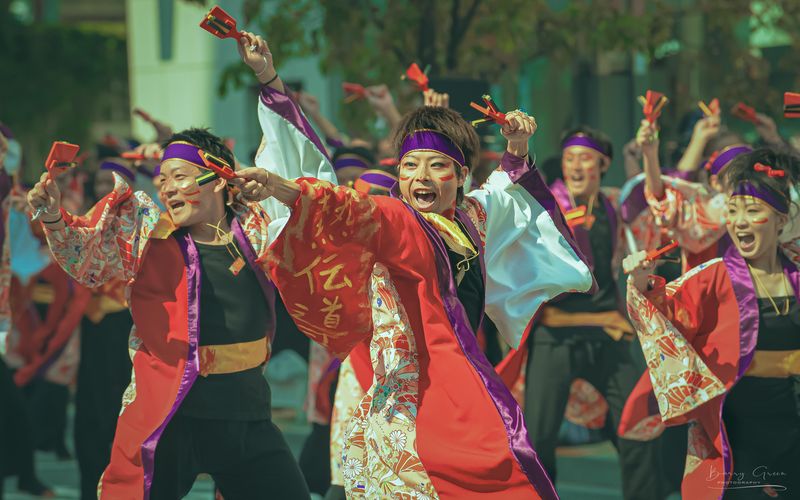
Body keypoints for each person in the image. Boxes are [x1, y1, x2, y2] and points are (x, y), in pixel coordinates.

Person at [26, 30, 329, 499]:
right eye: (163, 179)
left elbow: (296, 169)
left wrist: (265, 75)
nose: (166, 188)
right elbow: (85, 251)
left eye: (180, 178)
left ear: (219, 181)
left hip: (247, 413)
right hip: (170, 415)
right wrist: (50, 212)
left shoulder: (259, 227)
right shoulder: (148, 231)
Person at [247, 99, 593, 497]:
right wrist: (279, 188)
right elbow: (350, 206)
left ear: (461, 174)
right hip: (412, 400)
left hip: (460, 386)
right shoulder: (402, 222)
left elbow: (502, 188)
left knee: (505, 469)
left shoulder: (468, 218)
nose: (420, 176)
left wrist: (517, 146)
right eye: (410, 166)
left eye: (436, 165)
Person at [621, 148, 800, 499]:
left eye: (752, 211)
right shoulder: (714, 276)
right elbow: (666, 310)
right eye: (733, 212)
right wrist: (643, 281)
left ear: (780, 219)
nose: (739, 222)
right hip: (740, 423)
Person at [519, 126, 665, 500]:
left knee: (639, 421)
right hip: (555, 334)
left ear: (603, 165)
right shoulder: (546, 205)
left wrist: (650, 154)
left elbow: (653, 199)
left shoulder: (614, 204)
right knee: (538, 435)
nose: (576, 167)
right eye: (570, 159)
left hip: (607, 331)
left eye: (585, 159)